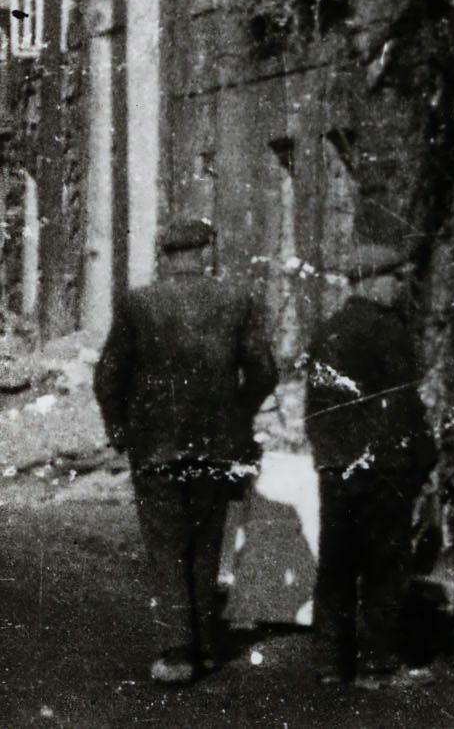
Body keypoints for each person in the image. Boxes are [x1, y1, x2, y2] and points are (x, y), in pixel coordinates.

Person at [94, 216, 278, 685]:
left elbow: (109, 375)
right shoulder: (237, 299)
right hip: (216, 444)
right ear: (206, 252)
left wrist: (120, 429)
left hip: (156, 445)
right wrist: (239, 416)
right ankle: (207, 646)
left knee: (166, 546)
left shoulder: (138, 303)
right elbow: (264, 371)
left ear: (164, 255)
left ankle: (178, 652)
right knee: (206, 542)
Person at [305, 241, 438, 687]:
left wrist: (328, 459)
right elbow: (402, 407)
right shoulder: (389, 331)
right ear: (373, 281)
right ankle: (376, 662)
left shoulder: (328, 330)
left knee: (337, 565)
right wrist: (425, 457)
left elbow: (315, 407)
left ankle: (329, 662)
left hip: (337, 468)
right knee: (384, 565)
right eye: (395, 278)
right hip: (384, 466)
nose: (400, 286)